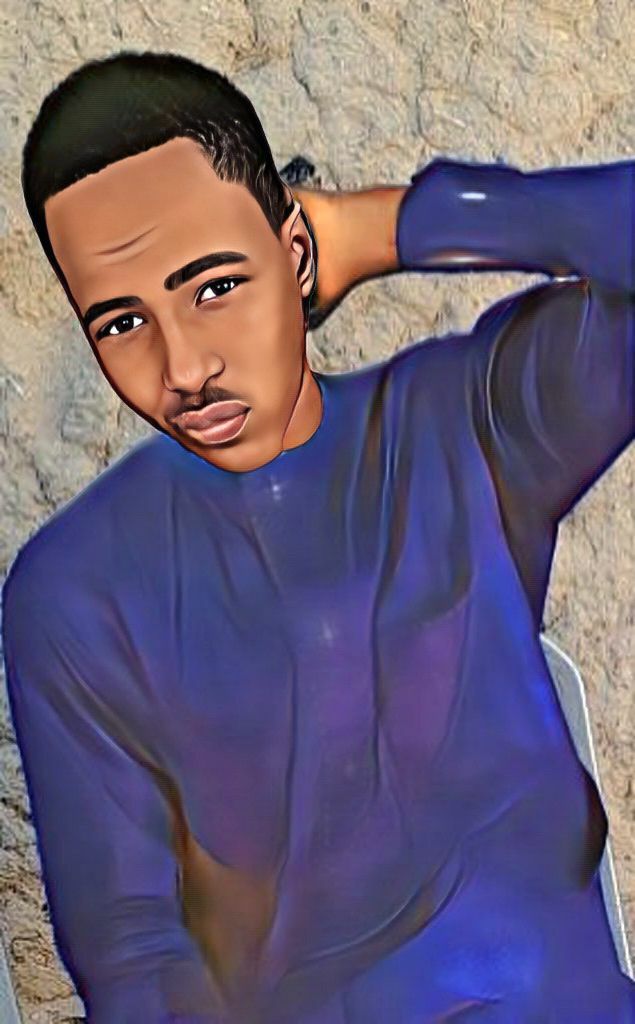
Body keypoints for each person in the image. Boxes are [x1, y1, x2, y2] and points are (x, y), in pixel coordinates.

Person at [1, 49, 634, 1024]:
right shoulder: (72, 591)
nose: (183, 368)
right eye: (122, 323)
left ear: (295, 252)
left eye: (213, 285)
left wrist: (394, 226)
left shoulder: (466, 422)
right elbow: (134, 962)